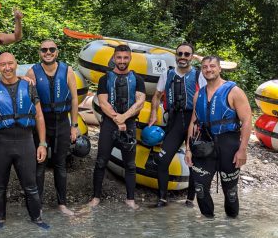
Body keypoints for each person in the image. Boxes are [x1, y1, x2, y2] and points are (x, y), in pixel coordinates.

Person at [0, 53, 50, 229]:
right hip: (1, 143)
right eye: (3, 64)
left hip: (26, 141)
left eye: (10, 63)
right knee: (0, 185)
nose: (7, 67)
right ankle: (0, 219)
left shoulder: (29, 86)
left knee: (31, 185)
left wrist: (42, 143)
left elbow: (39, 115)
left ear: (16, 64)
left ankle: (37, 219)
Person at [184, 56, 252, 218]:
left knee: (230, 191)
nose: (208, 69)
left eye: (212, 66)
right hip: (204, 144)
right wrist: (188, 149)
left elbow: (247, 120)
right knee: (200, 187)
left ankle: (232, 225)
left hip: (228, 144)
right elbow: (193, 123)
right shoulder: (198, 94)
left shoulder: (234, 91)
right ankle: (208, 226)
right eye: (205, 67)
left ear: (220, 69)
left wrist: (242, 150)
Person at [147, 42, 207, 208]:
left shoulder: (199, 75)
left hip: (193, 121)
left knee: (194, 162)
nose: (182, 57)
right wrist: (154, 113)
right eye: (180, 54)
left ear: (191, 57)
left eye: (187, 54)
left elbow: (207, 96)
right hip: (174, 121)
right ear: (176, 55)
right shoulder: (168, 74)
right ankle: (162, 198)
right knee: (162, 159)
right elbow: (157, 95)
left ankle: (190, 199)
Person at [25, 39, 79, 216]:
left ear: (57, 52)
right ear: (39, 52)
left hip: (62, 121)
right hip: (41, 122)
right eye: (44, 50)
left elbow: (74, 99)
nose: (48, 52)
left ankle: (62, 203)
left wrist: (74, 125)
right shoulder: (32, 72)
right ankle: (37, 204)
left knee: (60, 164)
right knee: (39, 164)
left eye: (51, 49)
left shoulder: (67, 70)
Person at [88, 44, 146, 209]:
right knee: (101, 161)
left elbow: (140, 102)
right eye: (119, 57)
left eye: (125, 57)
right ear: (114, 58)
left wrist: (124, 118)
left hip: (129, 124)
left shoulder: (138, 79)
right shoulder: (105, 79)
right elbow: (103, 102)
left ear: (130, 58)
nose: (122, 61)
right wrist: (117, 119)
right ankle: (96, 197)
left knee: (130, 164)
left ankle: (130, 199)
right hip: (109, 124)